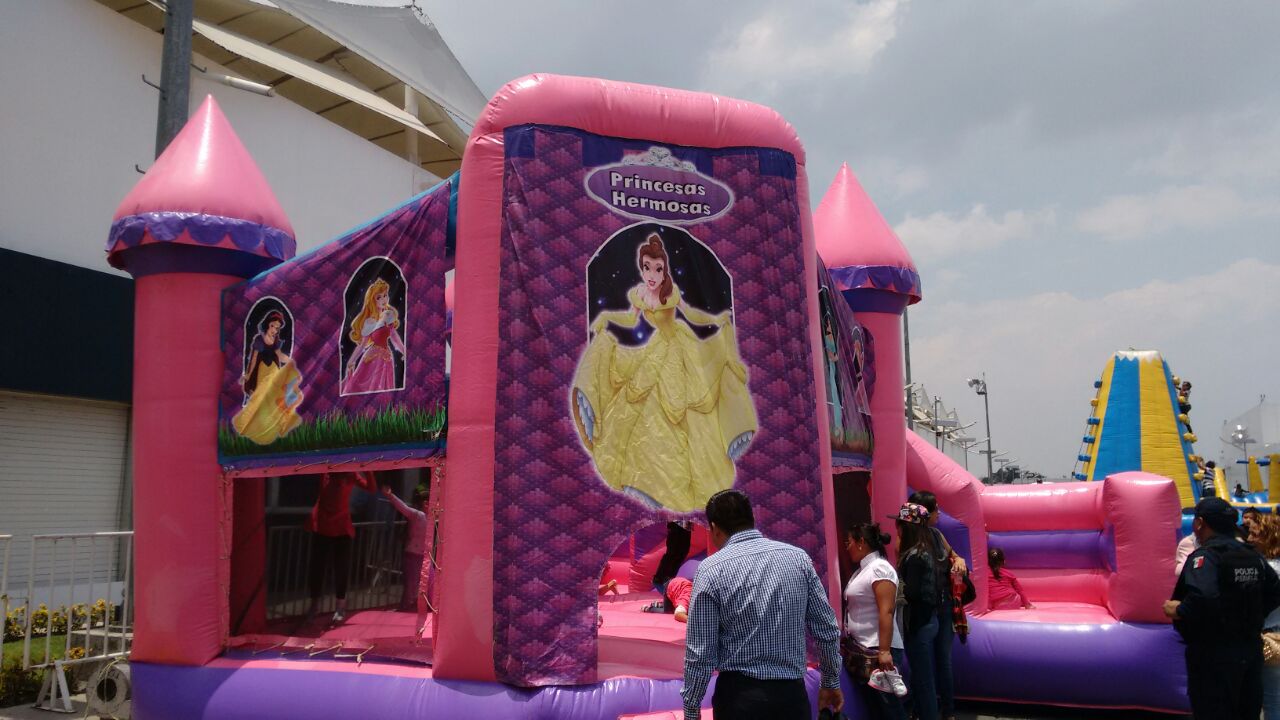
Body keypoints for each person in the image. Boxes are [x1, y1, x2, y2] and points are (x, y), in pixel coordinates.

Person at [570, 234, 758, 512]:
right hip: (655, 349)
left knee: (683, 408)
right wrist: (607, 317)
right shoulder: (640, 294)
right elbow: (630, 319)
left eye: (657, 269)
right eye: (647, 267)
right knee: (640, 408)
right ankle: (647, 479)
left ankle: (695, 470)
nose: (652, 274)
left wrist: (716, 319)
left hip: (679, 348)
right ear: (642, 267)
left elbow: (691, 315)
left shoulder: (671, 293)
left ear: (664, 270)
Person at [680, 490, 842, 720]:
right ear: (752, 519)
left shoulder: (711, 570)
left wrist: (691, 708)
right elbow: (827, 629)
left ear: (714, 528)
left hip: (739, 699)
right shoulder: (798, 559)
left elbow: (700, 653)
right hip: (791, 697)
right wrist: (830, 682)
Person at [1164, 497, 1280, 718]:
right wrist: (1250, 616)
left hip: (1214, 655)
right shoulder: (1252, 555)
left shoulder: (1206, 556)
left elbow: (1203, 596)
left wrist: (1178, 610)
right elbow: (1274, 592)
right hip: (1249, 651)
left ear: (1199, 523)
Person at [907, 490, 965, 720]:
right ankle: (933, 711)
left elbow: (955, 555)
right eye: (935, 510)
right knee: (930, 665)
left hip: (938, 609)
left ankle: (941, 711)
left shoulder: (936, 535)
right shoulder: (914, 539)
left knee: (936, 664)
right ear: (924, 513)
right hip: (929, 611)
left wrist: (959, 560)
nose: (939, 513)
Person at [843, 522, 908, 720]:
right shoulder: (863, 570)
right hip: (865, 648)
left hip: (879, 649)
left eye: (849, 542)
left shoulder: (879, 568)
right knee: (877, 710)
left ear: (861, 542)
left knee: (889, 709)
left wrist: (885, 651)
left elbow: (886, 610)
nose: (847, 547)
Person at [306, 471, 376, 625]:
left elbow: (371, 488)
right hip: (323, 526)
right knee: (317, 568)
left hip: (341, 528)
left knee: (341, 568)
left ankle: (340, 607)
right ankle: (315, 605)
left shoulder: (351, 474)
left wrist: (369, 470)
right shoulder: (326, 472)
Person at [895, 502, 941, 720]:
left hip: (919, 625)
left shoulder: (914, 556)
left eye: (899, 524)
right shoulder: (926, 550)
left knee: (923, 681)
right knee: (923, 679)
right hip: (929, 621)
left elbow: (911, 592)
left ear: (906, 527)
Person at [233, 310, 304, 444]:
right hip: (264, 374)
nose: (274, 330)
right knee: (257, 400)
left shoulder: (275, 340)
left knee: (285, 399)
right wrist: (248, 375)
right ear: (267, 325)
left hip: (275, 373)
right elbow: (254, 360)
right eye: (272, 326)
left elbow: (279, 355)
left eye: (277, 328)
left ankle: (281, 425)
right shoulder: (259, 339)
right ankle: (241, 426)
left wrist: (290, 361)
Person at [343, 278, 406, 395]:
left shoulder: (388, 317)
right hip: (372, 359)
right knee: (368, 387)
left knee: (384, 389)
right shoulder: (369, 322)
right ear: (373, 301)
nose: (383, 299)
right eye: (379, 297)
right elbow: (362, 345)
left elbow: (395, 339)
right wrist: (351, 361)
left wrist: (405, 351)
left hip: (386, 358)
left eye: (385, 295)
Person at [1250, 515, 1280, 719]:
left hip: (1269, 639)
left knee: (1270, 699)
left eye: (1255, 534)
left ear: (1269, 537)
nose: (1249, 538)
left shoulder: (1268, 570)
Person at [381, 484, 428, 611]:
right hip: (413, 555)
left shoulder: (432, 518)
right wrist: (390, 496)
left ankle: (406, 609)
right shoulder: (418, 515)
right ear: (425, 503)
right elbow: (403, 507)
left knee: (417, 587)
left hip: (423, 557)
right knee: (411, 588)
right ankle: (405, 611)